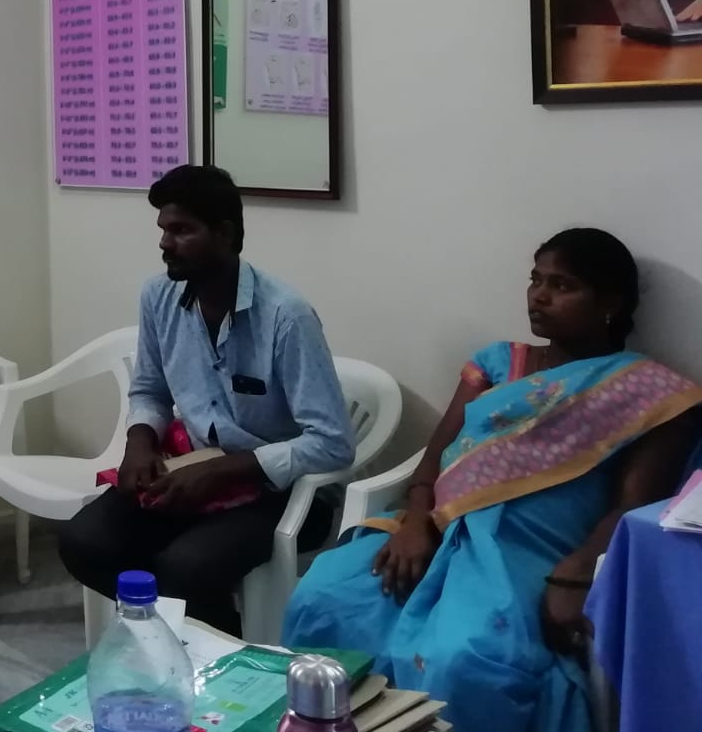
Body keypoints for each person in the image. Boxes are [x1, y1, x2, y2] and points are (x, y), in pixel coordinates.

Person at [283, 228, 702, 732]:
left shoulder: (651, 392)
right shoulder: (499, 362)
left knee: (467, 655)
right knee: (323, 598)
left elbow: (633, 509)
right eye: (535, 279)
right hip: (438, 527)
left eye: (562, 285)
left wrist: (574, 575)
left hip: (536, 546)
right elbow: (435, 458)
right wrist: (415, 523)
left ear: (610, 303)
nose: (539, 296)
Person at [58, 165, 353, 634]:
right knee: (83, 541)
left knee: (185, 568)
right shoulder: (159, 298)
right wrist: (139, 443)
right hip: (192, 470)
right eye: (163, 229)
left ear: (226, 234)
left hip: (282, 492)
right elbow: (150, 390)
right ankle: (178, 635)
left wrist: (222, 470)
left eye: (181, 230)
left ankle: (210, 643)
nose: (165, 243)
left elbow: (333, 443)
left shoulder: (286, 317)